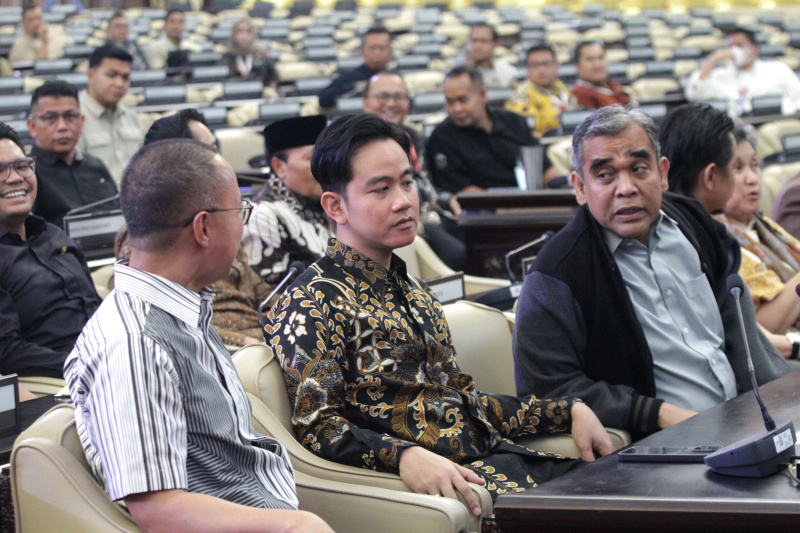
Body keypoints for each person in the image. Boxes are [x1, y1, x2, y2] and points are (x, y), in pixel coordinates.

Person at [267, 113, 613, 510]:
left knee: (626, 495)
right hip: (448, 489)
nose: (404, 201)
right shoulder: (308, 302)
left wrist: (567, 410)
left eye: (407, 182)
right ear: (335, 206)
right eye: (380, 189)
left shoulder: (416, 292)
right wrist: (403, 455)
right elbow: (319, 425)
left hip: (494, 464)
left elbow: (462, 402)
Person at [64, 138, 334, 533]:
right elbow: (158, 509)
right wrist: (293, 526)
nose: (243, 226)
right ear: (203, 227)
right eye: (239, 211)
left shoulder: (180, 308)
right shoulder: (135, 343)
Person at [513, 105, 794, 438]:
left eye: (639, 168)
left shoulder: (695, 224)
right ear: (580, 187)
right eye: (605, 175)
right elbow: (546, 390)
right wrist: (656, 413)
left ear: (662, 173)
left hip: (750, 419)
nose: (626, 188)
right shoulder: (557, 274)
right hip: (660, 449)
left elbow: (743, 336)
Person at [141, 109, 272, 348]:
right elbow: (170, 321)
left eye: (216, 149)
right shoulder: (149, 230)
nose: (220, 160)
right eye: (210, 151)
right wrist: (245, 342)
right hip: (230, 349)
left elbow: (257, 289)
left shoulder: (221, 215)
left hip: (261, 333)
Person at [0, 121, 101, 378]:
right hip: (55, 385)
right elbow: (8, 353)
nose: (14, 178)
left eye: (21, 166)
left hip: (106, 361)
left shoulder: (55, 236)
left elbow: (96, 310)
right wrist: (86, 365)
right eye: (0, 170)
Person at [362, 71, 466, 271]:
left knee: (481, 239)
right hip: (411, 220)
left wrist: (447, 197)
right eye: (382, 96)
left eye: (399, 97)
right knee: (459, 255)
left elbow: (425, 182)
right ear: (365, 102)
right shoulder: (362, 147)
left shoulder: (413, 136)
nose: (392, 103)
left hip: (436, 212)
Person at [713, 121, 800, 350]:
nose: (752, 178)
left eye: (755, 165)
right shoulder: (717, 241)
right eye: (738, 168)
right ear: (711, 177)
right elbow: (763, 328)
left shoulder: (763, 226)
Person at [426, 66, 557, 198]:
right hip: (483, 210)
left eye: (462, 100)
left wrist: (562, 190)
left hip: (533, 201)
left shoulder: (514, 122)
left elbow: (545, 169)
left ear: (482, 95)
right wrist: (512, 206)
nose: (457, 109)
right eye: (450, 102)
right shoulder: (442, 137)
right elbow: (462, 191)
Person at [242, 115, 332, 284]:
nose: (325, 167)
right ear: (279, 166)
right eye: (313, 158)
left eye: (327, 158)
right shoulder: (262, 215)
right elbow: (269, 296)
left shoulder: (325, 204)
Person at [27, 81, 118, 228]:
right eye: (51, 118)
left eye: (70, 117)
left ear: (81, 122)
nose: (62, 127)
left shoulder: (96, 166)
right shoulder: (28, 174)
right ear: (32, 126)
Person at [685, 27, 800, 116]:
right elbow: (694, 94)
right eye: (731, 46)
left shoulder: (777, 69)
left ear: (753, 49)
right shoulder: (720, 75)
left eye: (739, 45)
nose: (734, 51)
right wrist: (712, 60)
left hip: (777, 122)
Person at [77, 43, 145, 187]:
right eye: (111, 75)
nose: (119, 83)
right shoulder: (74, 118)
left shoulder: (131, 117)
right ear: (91, 75)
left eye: (125, 77)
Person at [505, 43, 576, 135]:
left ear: (557, 66)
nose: (541, 69)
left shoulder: (561, 87)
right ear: (527, 69)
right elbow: (526, 132)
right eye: (535, 65)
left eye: (546, 64)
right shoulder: (522, 95)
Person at [318, 26, 392, 108]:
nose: (377, 52)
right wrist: (355, 87)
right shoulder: (348, 77)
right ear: (362, 51)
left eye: (382, 48)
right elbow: (324, 99)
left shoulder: (396, 79)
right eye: (372, 48)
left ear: (390, 52)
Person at [571, 41, 630, 110]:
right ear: (577, 66)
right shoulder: (578, 96)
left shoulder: (615, 88)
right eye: (590, 59)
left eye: (600, 57)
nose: (598, 64)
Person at [457, 23, 517, 89]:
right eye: (474, 40)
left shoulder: (508, 73)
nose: (478, 46)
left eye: (483, 41)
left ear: (495, 44)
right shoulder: (456, 73)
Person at [8, 4, 73, 63]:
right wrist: (45, 42)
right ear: (23, 23)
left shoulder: (54, 32)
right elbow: (38, 66)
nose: (36, 23)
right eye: (31, 20)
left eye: (39, 18)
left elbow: (71, 50)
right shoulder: (20, 44)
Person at [225, 17, 278, 86]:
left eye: (248, 32)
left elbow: (273, 78)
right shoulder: (226, 57)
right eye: (239, 31)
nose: (244, 36)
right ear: (233, 35)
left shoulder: (262, 55)